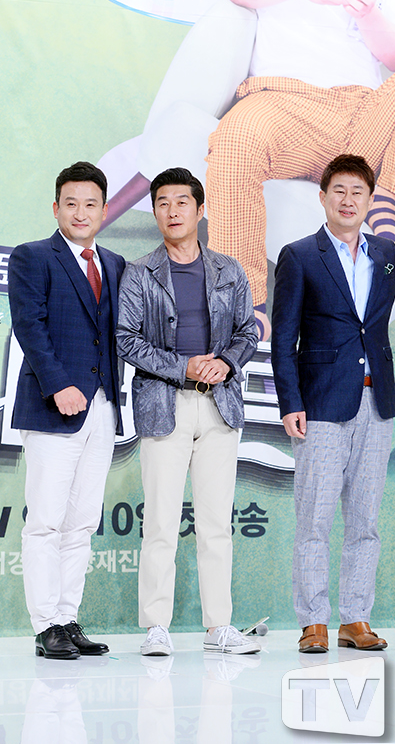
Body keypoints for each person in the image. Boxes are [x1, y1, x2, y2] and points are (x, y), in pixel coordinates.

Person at [206, 0, 395, 332]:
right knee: (235, 142)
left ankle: (386, 199)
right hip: (281, 102)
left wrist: (367, 13)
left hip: (366, 116)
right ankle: (244, 311)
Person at [271, 154, 395, 652]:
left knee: (365, 520)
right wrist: (289, 402)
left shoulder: (384, 253)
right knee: (314, 518)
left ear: (369, 199)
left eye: (357, 191)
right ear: (322, 197)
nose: (347, 200)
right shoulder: (300, 255)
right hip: (319, 403)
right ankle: (313, 622)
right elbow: (283, 338)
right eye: (338, 190)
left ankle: (355, 619)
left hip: (375, 401)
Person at [116, 167, 260, 656]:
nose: (172, 211)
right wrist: (184, 366)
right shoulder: (139, 273)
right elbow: (126, 339)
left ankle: (219, 626)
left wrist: (226, 362)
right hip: (164, 405)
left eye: (182, 202)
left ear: (201, 210)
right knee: (160, 522)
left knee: (216, 523)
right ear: (155, 211)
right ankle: (156, 627)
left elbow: (248, 331)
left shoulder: (229, 270)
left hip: (219, 408)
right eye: (163, 203)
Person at [8, 162, 125, 659]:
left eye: (90, 204)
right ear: (56, 208)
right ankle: (45, 627)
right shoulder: (33, 257)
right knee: (45, 521)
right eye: (71, 203)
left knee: (81, 523)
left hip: (102, 407)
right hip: (53, 407)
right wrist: (59, 386)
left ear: (104, 209)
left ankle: (67, 618)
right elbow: (29, 326)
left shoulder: (115, 263)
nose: (81, 212)